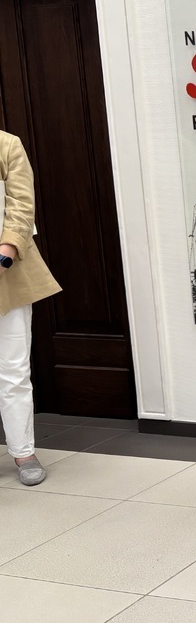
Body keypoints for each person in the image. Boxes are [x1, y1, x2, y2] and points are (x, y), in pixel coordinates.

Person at [0, 131, 62, 486]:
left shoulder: (7, 145)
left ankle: (23, 451)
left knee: (13, 369)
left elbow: (21, 207)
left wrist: (5, 254)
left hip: (6, 275)